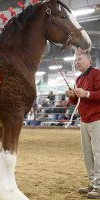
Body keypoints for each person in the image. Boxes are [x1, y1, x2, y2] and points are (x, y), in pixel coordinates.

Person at [66, 51, 100, 199]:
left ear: (89, 60)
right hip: (85, 120)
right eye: (75, 60)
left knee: (98, 153)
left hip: (97, 118)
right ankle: (93, 183)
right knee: (88, 154)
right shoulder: (79, 79)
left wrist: (86, 93)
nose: (76, 62)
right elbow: (76, 102)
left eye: (79, 59)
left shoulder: (97, 74)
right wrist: (72, 96)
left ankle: (99, 186)